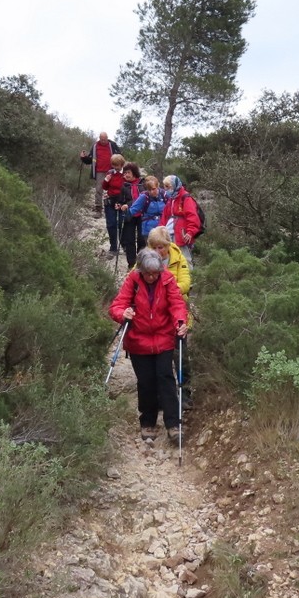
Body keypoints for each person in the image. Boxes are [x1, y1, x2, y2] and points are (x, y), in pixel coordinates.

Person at [110, 249, 188, 443]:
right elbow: (117, 306)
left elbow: (177, 304)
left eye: (155, 273)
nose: (152, 277)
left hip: (163, 337)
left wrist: (180, 321)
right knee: (146, 382)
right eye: (148, 273)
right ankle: (148, 422)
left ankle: (173, 425)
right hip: (138, 340)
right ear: (141, 271)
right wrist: (123, 314)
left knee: (166, 378)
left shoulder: (167, 279)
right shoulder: (133, 281)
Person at [146, 225, 193, 407]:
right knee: (158, 358)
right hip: (153, 316)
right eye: (154, 247)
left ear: (167, 245)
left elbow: (186, 283)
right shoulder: (144, 259)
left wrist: (167, 290)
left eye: (161, 247)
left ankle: (186, 393)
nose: (158, 251)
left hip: (176, 313)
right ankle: (161, 396)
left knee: (180, 354)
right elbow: (132, 277)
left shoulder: (178, 258)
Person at [160, 175, 202, 269]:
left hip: (182, 234)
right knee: (168, 257)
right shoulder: (172, 199)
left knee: (185, 258)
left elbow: (192, 216)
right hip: (169, 233)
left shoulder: (185, 198)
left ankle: (189, 280)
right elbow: (164, 216)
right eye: (165, 187)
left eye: (168, 187)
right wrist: (160, 230)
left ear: (174, 186)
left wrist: (190, 232)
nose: (166, 189)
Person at [79, 132, 120, 215]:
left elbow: (120, 156)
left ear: (107, 138)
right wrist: (83, 158)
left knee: (113, 189)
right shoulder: (95, 146)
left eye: (105, 139)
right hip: (99, 171)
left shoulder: (112, 145)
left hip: (111, 171)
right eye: (102, 139)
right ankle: (98, 209)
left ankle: (113, 208)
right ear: (99, 138)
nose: (103, 141)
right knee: (98, 190)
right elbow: (90, 159)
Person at [115, 162, 145, 269]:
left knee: (142, 239)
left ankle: (141, 262)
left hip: (143, 214)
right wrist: (119, 205)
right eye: (125, 173)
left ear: (134, 172)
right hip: (129, 216)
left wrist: (128, 204)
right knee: (129, 240)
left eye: (128, 172)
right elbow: (121, 200)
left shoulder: (143, 183)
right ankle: (131, 264)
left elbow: (142, 198)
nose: (126, 175)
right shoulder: (124, 186)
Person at [128, 175, 167, 246]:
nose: (151, 192)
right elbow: (133, 210)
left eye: (153, 189)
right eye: (149, 190)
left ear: (158, 186)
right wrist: (125, 212)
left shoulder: (164, 195)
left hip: (163, 228)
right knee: (152, 252)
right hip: (149, 229)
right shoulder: (144, 197)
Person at [101, 153, 126, 256]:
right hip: (110, 200)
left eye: (117, 165)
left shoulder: (125, 174)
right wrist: (106, 180)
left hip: (122, 201)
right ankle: (113, 248)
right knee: (111, 224)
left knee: (122, 224)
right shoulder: (110, 173)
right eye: (113, 165)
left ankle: (124, 246)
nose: (115, 167)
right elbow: (105, 187)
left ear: (122, 164)